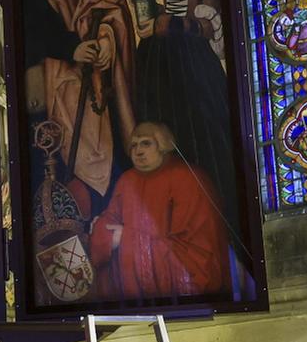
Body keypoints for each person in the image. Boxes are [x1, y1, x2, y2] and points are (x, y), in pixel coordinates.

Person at [17, 0, 137, 219]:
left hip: (87, 66)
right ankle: (75, 211)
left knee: (99, 131)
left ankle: (101, 206)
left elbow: (99, 6)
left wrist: (106, 39)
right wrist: (73, 49)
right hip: (50, 71)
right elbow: (34, 28)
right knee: (62, 140)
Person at [129, 0, 237, 218]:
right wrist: (153, 18)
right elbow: (165, 10)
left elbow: (208, 22)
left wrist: (169, 24)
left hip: (191, 52)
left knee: (200, 123)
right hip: (161, 52)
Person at [88, 122, 230, 300]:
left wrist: (125, 238)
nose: (138, 151)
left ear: (163, 146)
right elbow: (108, 221)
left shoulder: (187, 178)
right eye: (134, 145)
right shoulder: (127, 181)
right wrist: (104, 232)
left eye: (146, 143)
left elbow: (192, 253)